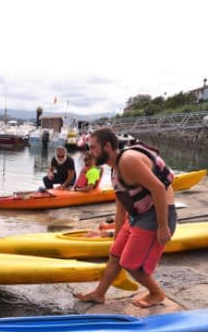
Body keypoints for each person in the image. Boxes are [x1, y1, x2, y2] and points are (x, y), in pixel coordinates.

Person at [76, 128, 177, 308]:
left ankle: (156, 293)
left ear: (107, 146)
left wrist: (162, 226)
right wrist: (117, 239)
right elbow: (121, 209)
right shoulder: (115, 170)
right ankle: (99, 294)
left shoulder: (128, 161)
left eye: (93, 147)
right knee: (115, 255)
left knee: (130, 264)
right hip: (139, 215)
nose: (89, 152)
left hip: (157, 215)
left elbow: (159, 188)